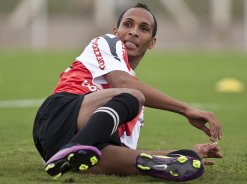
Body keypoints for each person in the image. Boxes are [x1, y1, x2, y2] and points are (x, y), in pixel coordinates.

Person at [32, 3, 223, 182]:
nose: (133, 32)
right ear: (116, 32)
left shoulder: (134, 108)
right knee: (134, 96)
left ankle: (74, 157)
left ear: (151, 43)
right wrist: (186, 109)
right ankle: (75, 148)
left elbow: (122, 149)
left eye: (144, 28)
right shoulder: (107, 43)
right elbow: (122, 81)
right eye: (128, 24)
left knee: (123, 153)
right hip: (58, 115)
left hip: (59, 151)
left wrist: (182, 154)